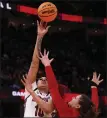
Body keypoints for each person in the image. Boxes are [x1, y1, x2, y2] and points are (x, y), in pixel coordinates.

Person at [38, 49, 103, 118]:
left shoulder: (66, 113)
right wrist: (94, 86)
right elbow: (94, 106)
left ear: (78, 106)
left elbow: (53, 89)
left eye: (75, 98)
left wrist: (47, 66)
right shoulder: (83, 114)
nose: (72, 98)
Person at [21, 20, 55, 117]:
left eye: (46, 79)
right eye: (40, 79)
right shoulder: (31, 88)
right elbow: (34, 63)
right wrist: (39, 37)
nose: (43, 80)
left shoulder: (53, 97)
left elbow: (48, 110)